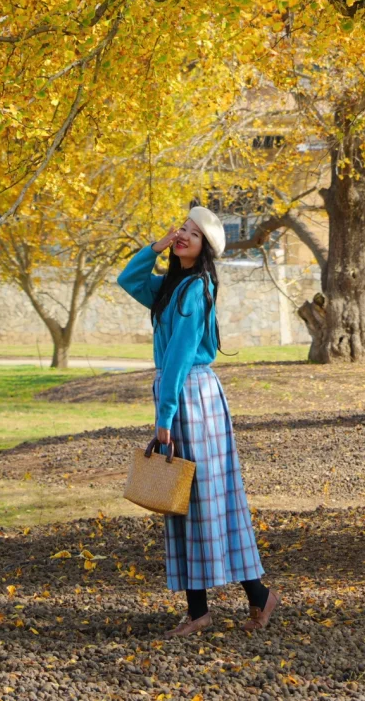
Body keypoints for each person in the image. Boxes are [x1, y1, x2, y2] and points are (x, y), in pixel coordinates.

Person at [117, 206, 279, 638]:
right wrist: (155, 247)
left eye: (194, 233)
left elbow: (179, 357)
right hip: (182, 394)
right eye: (182, 229)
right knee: (188, 502)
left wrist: (164, 417)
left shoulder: (195, 289)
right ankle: (219, 607)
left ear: (206, 246)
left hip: (192, 397)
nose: (184, 235)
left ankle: (237, 602)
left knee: (202, 500)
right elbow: (128, 279)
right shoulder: (171, 287)